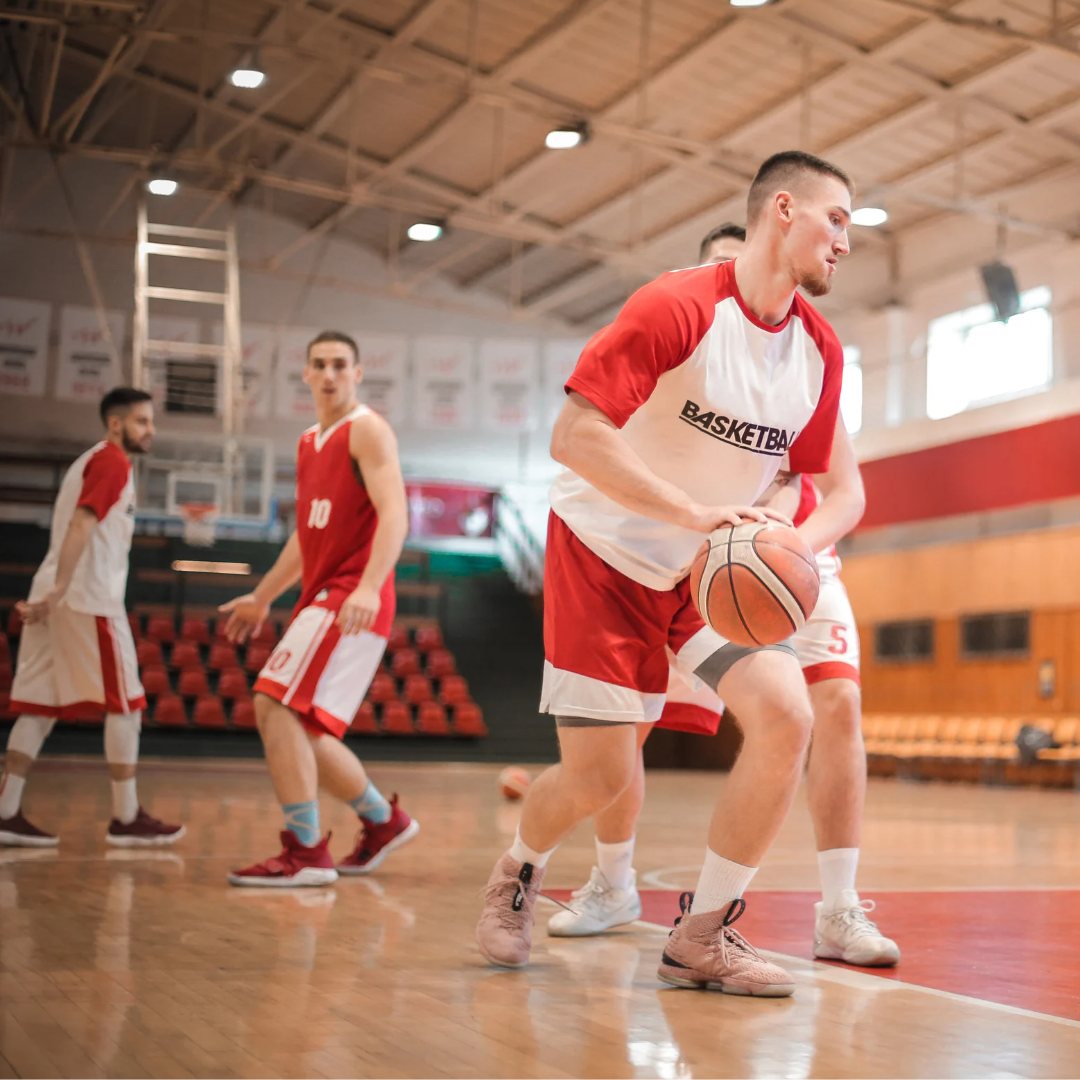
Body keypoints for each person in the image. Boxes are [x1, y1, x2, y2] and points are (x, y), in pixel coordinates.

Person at [476, 150, 852, 997]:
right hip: (602, 556)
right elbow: (573, 435)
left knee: (788, 715)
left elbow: (823, 482)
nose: (845, 243)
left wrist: (779, 538)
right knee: (600, 778)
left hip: (705, 573)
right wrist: (691, 512)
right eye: (837, 220)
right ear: (783, 210)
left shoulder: (820, 352)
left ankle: (702, 934)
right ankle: (517, 872)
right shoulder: (677, 305)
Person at [548, 226, 900, 967]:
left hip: (787, 560)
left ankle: (835, 908)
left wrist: (792, 544)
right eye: (715, 265)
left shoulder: (805, 357)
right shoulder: (687, 335)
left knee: (825, 708)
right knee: (626, 734)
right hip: (690, 559)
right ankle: (611, 882)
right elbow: (591, 432)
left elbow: (842, 487)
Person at [220, 330, 418, 887]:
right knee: (303, 729)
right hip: (325, 593)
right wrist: (262, 596)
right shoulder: (311, 440)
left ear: (357, 374)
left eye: (340, 365)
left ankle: (305, 851)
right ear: (306, 375)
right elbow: (307, 538)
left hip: (351, 595)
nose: (329, 374)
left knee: (272, 705)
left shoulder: (368, 430)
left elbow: (395, 515)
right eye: (319, 365)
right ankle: (383, 820)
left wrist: (368, 586)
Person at [0, 387, 184, 847]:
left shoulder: (90, 461)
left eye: (151, 421)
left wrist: (53, 592)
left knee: (40, 705)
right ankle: (126, 817)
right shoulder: (111, 461)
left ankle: (4, 810)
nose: (150, 429)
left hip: (57, 593)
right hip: (86, 598)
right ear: (116, 424)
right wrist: (63, 589)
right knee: (127, 705)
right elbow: (83, 523)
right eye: (142, 421)